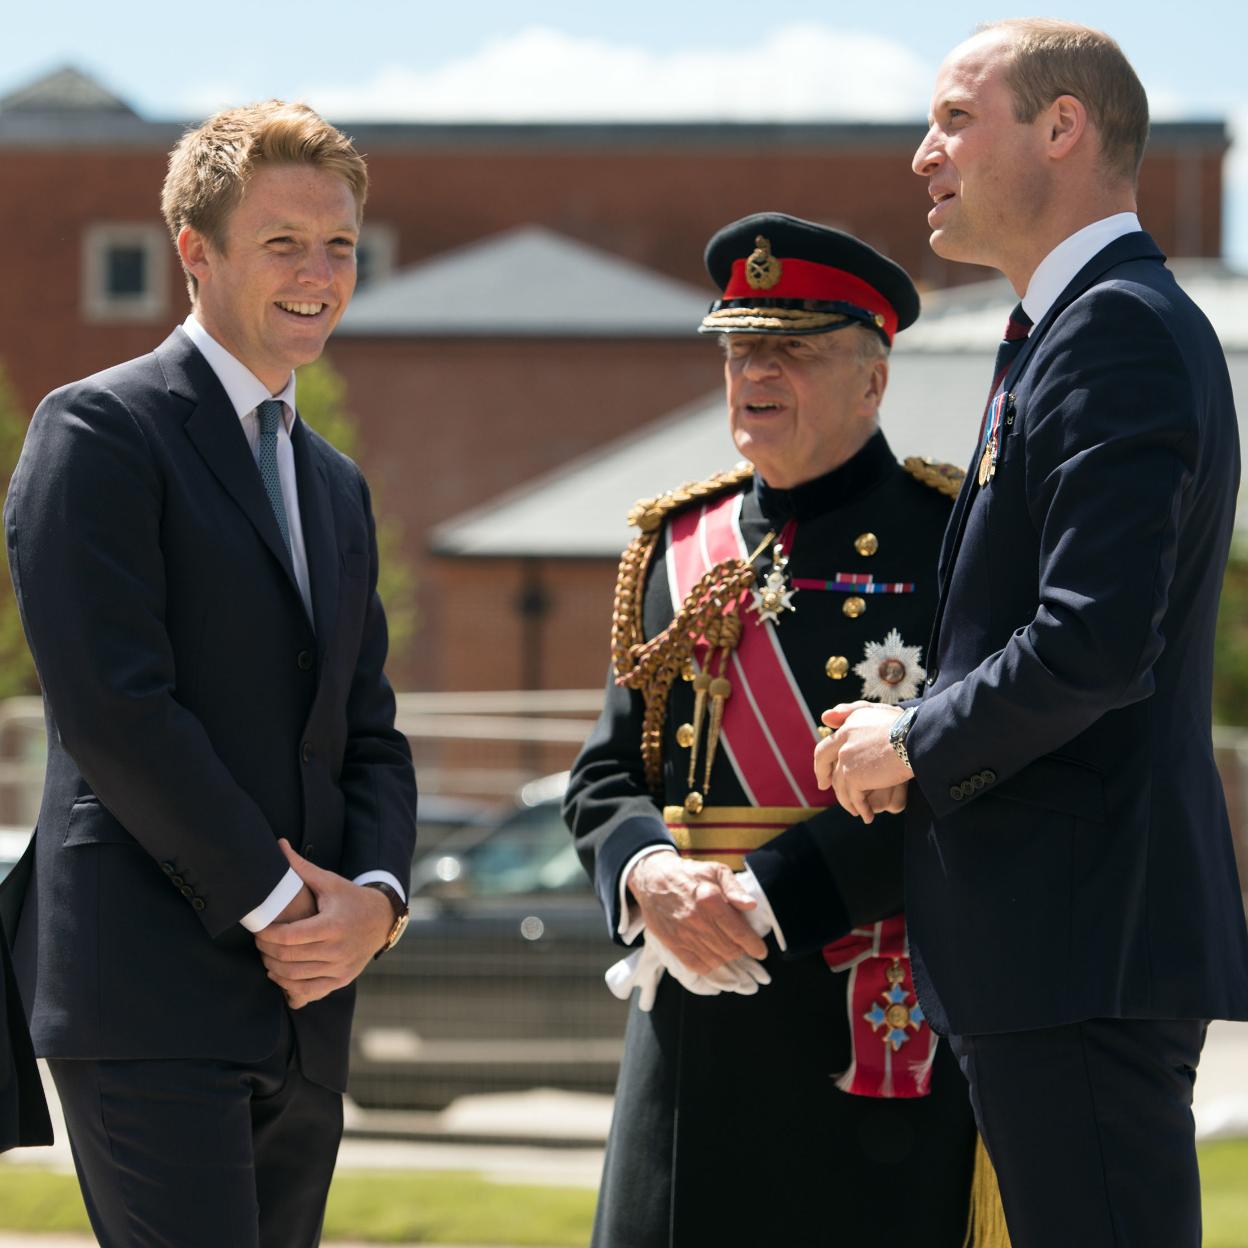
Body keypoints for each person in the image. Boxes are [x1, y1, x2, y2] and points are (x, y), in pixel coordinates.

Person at [814, 19, 1248, 1247]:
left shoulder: (1114, 329)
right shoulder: (1071, 328)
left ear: (1063, 128)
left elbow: (1095, 641)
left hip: (1079, 941)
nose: (924, 155)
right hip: (1057, 943)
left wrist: (912, 739)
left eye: (956, 119)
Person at [3, 101, 417, 1246]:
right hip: (147, 991)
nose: (319, 274)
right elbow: (115, 710)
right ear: (196, 251)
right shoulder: (98, 431)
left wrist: (375, 905)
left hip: (305, 1006)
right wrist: (286, 907)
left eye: (339, 246)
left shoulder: (335, 484)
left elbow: (369, 731)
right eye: (284, 243)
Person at [565, 213, 1000, 1248]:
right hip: (690, 1016)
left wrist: (767, 895)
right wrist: (651, 877)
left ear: (873, 380)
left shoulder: (950, 542)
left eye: (793, 351)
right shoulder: (679, 543)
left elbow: (971, 777)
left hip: (861, 1021)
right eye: (740, 349)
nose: (756, 373)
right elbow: (605, 775)